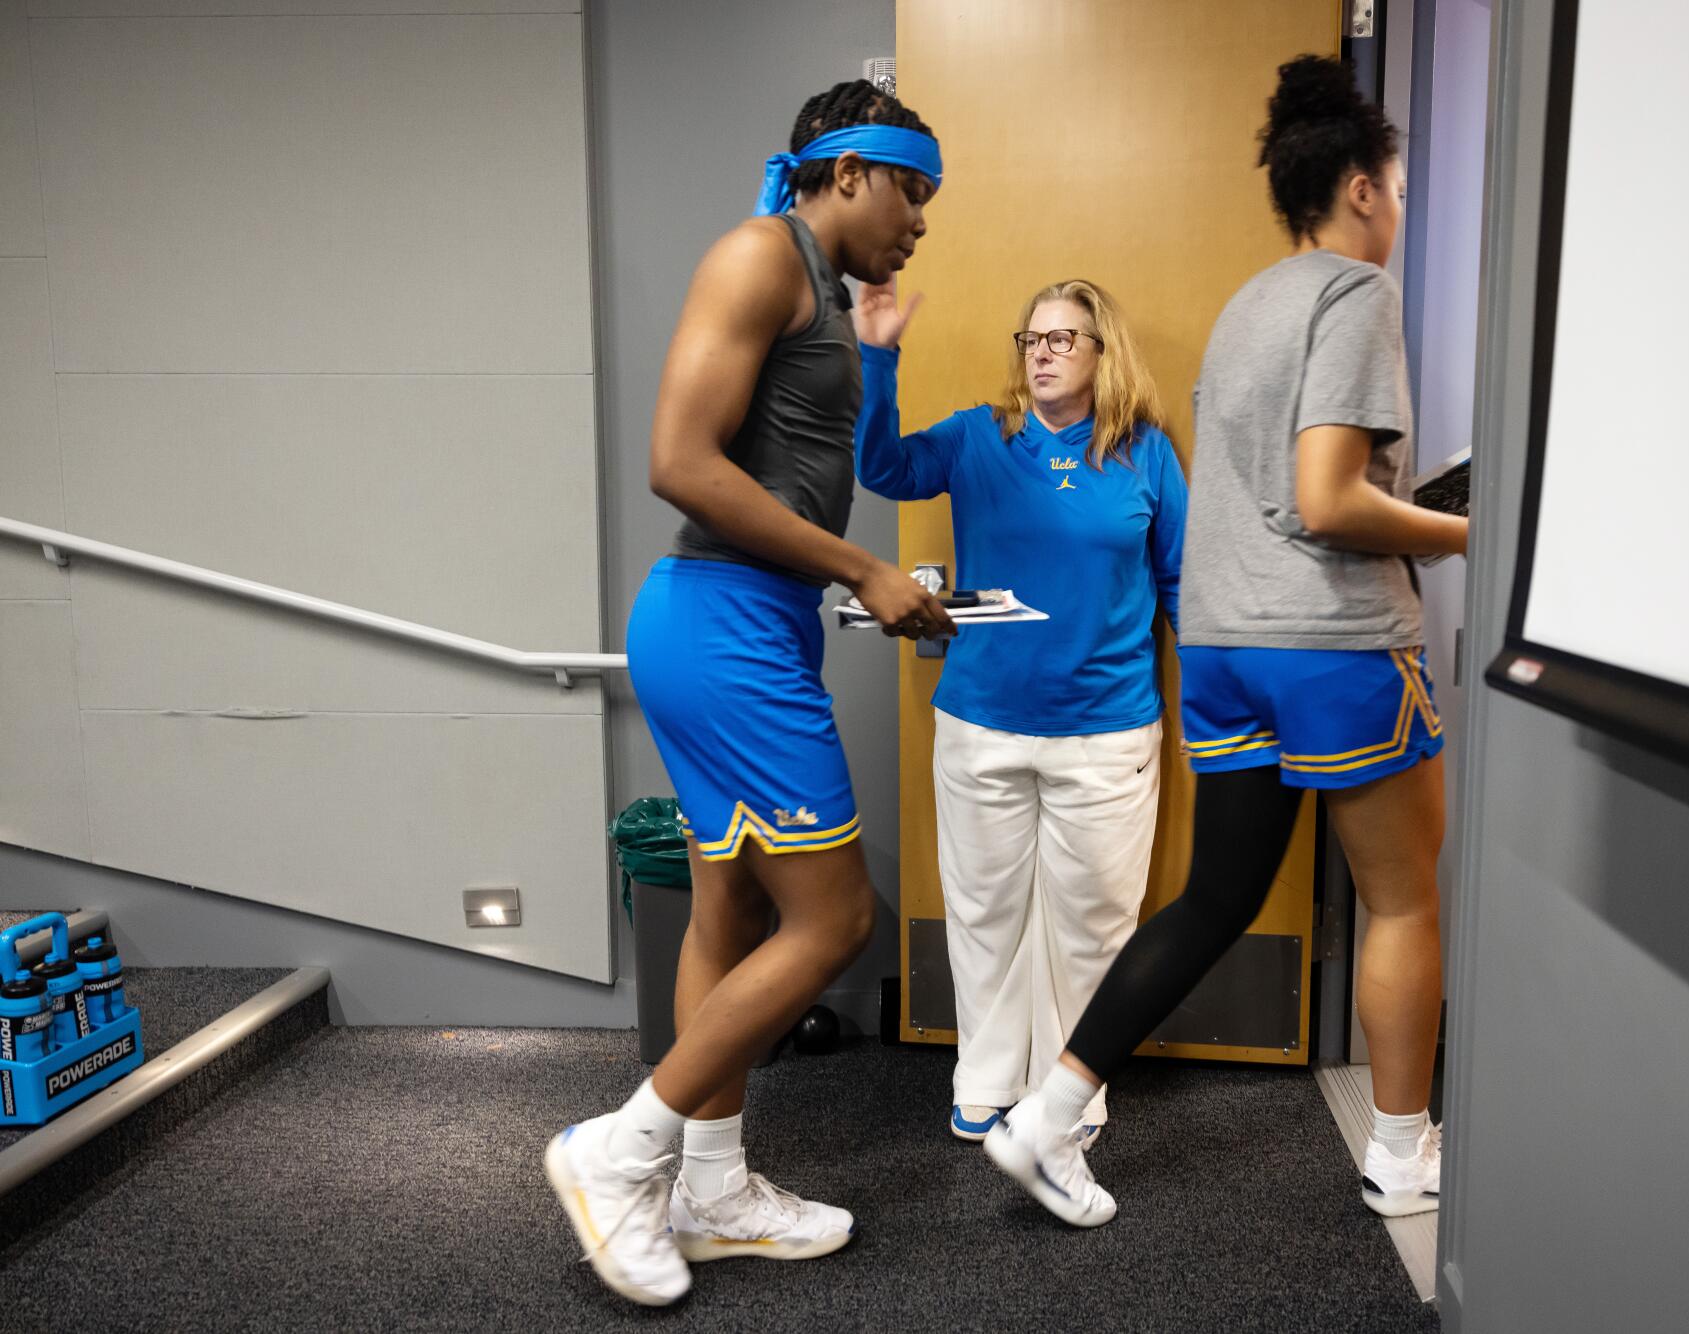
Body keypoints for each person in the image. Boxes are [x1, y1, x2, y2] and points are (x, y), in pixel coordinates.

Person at [982, 53, 1467, 1227]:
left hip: (1222, 643)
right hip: (1330, 642)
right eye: (1393, 191)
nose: (1395, 212)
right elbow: (1327, 497)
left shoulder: (1249, 304)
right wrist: (1458, 531)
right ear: (1358, 187)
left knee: (1216, 894)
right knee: (1401, 901)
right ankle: (1401, 1153)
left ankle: (1046, 1118)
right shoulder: (1357, 295)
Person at [543, 81, 951, 1307]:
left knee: (724, 905)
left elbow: (838, 463)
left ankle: (711, 1186)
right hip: (721, 623)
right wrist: (862, 567)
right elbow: (680, 461)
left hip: (743, 621)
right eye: (911, 190)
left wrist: (872, 361)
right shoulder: (754, 254)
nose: (922, 221)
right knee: (835, 922)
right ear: (845, 173)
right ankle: (620, 1151)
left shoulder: (818, 289)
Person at [852, 277, 1186, 1144]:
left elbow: (1182, 582)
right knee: (985, 914)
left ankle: (1069, 1094)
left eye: (1062, 339)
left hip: (1108, 731)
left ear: (1101, 353)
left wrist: (1223, 701)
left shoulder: (1145, 453)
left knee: (1093, 926)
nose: (1040, 352)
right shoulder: (978, 437)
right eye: (1031, 338)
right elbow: (883, 468)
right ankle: (986, 1079)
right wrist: (877, 356)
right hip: (982, 723)